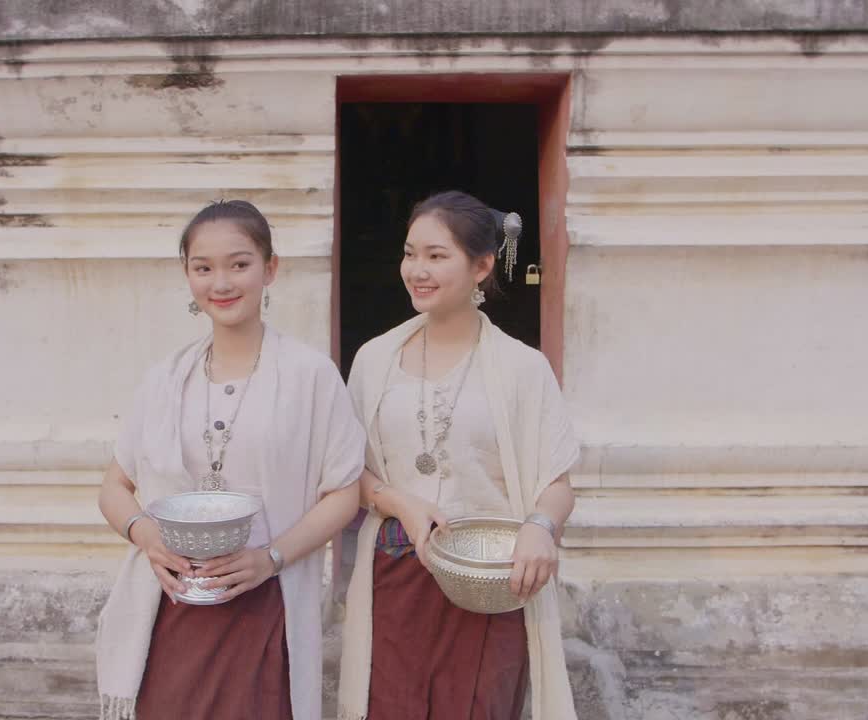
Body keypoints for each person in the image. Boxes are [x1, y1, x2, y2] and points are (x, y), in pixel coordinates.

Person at [95, 200, 366, 720]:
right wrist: (147, 536)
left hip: (266, 603)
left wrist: (270, 558)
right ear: (188, 276)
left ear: (271, 268)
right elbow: (114, 486)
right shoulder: (164, 379)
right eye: (204, 268)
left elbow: (343, 493)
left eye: (239, 264)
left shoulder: (310, 375)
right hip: (170, 608)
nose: (221, 282)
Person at [338, 190, 581, 720]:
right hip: (396, 575)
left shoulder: (523, 367)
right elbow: (346, 472)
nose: (416, 270)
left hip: (491, 584)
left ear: (483, 265)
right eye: (409, 253)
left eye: (436, 255)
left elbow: (557, 481)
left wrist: (539, 526)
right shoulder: (375, 358)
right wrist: (396, 500)